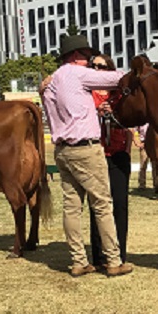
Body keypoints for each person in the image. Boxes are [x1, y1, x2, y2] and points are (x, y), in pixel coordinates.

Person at [40, 34, 133, 277]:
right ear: (75, 56)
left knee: (72, 207)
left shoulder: (49, 84)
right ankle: (113, 260)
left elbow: (64, 111)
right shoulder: (76, 73)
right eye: (86, 56)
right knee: (102, 204)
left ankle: (78, 261)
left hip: (62, 150)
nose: (89, 61)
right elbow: (117, 78)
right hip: (86, 148)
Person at [89, 54, 133, 270]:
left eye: (102, 66)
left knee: (120, 206)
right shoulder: (86, 95)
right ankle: (98, 257)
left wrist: (126, 149)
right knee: (97, 206)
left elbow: (129, 124)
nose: (97, 70)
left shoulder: (119, 96)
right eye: (93, 66)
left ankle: (119, 254)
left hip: (118, 154)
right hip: (95, 154)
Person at [133, 123, 156, 191]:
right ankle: (142, 185)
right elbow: (134, 130)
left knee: (154, 165)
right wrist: (137, 142)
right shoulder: (141, 121)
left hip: (154, 144)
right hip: (144, 143)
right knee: (143, 165)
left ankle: (156, 184)